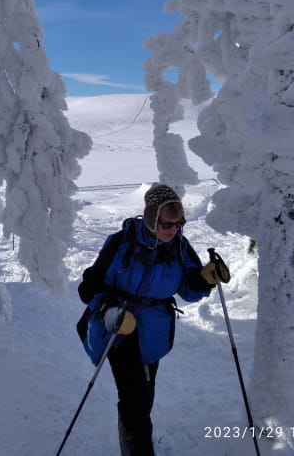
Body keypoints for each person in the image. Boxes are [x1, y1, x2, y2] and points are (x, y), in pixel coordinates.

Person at [77, 184, 228, 456]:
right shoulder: (121, 243)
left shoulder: (179, 248)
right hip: (119, 329)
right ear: (150, 219)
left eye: (178, 222)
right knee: (134, 398)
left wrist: (206, 279)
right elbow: (89, 286)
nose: (173, 229)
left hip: (154, 331)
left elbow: (188, 290)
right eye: (166, 223)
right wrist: (109, 310)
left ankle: (136, 442)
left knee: (144, 396)